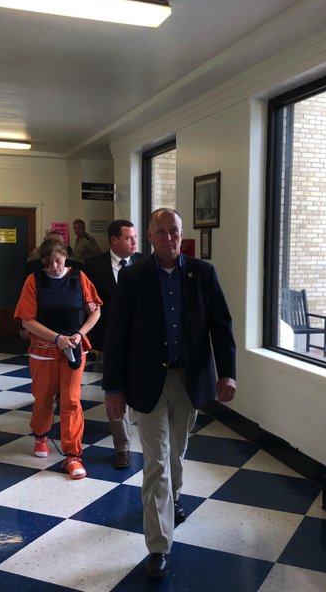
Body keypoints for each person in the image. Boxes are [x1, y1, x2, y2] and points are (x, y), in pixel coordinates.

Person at [102, 208, 236, 578]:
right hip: (146, 382)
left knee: (176, 450)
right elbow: (117, 335)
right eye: (160, 232)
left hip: (189, 380)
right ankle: (159, 546)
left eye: (173, 231)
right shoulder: (133, 278)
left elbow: (221, 326)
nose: (168, 238)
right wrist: (113, 387)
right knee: (155, 461)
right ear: (149, 236)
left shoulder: (203, 274)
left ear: (181, 233)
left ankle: (175, 495)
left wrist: (228, 373)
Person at [14, 239, 102, 480]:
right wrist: (56, 339)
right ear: (43, 262)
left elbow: (95, 310)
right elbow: (27, 320)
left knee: (72, 401)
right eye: (49, 262)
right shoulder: (34, 281)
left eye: (58, 261)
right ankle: (41, 436)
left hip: (74, 348)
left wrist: (79, 334)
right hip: (44, 350)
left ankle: (73, 455)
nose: (54, 266)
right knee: (44, 397)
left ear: (66, 258)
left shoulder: (79, 278)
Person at [83, 219, 144, 469]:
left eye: (135, 237)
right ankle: (123, 447)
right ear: (113, 241)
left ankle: (148, 439)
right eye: (129, 238)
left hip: (141, 340)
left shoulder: (144, 263)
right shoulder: (93, 266)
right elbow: (86, 300)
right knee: (114, 391)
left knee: (142, 389)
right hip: (109, 338)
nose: (134, 242)